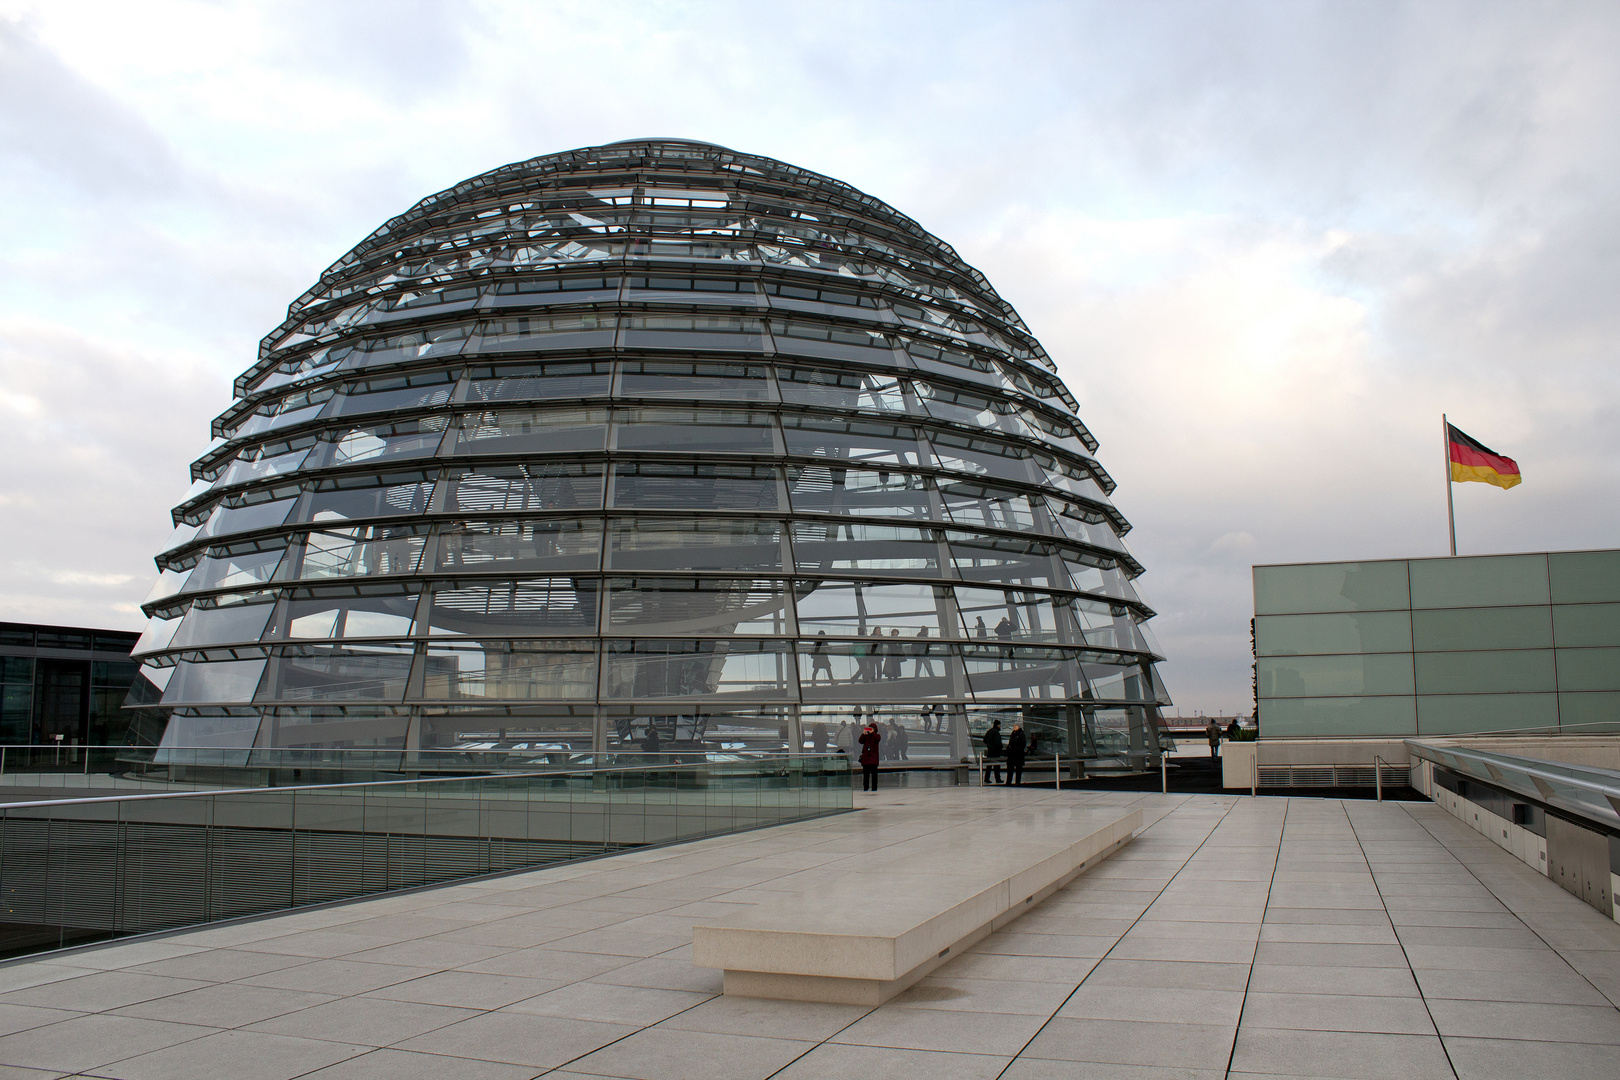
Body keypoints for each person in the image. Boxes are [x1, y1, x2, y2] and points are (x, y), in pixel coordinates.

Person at [859, 719, 881, 791]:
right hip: (866, 759)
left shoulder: (876, 735)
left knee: (874, 775)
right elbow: (860, 741)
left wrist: (873, 732)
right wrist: (863, 733)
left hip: (873, 759)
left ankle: (874, 788)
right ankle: (866, 787)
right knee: (866, 775)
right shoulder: (866, 736)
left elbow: (877, 739)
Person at [982, 718, 1004, 784]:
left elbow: (984, 740)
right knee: (996, 766)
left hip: (990, 751)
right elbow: (998, 743)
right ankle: (997, 779)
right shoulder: (996, 732)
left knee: (989, 765)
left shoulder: (989, 731)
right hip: (996, 751)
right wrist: (1000, 747)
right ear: (998, 725)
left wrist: (989, 745)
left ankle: (986, 778)